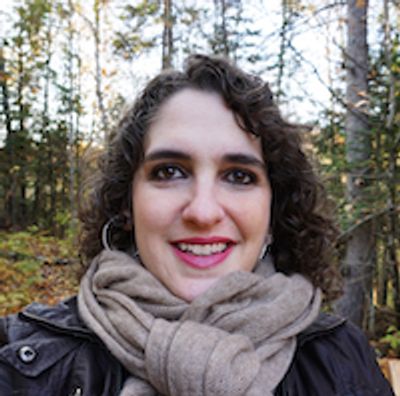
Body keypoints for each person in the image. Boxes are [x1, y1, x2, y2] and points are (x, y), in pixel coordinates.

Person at [0, 54, 394, 396]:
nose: (203, 212)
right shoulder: (21, 362)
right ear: (126, 204)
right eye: (170, 171)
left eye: (239, 176)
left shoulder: (343, 361)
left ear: (274, 213)